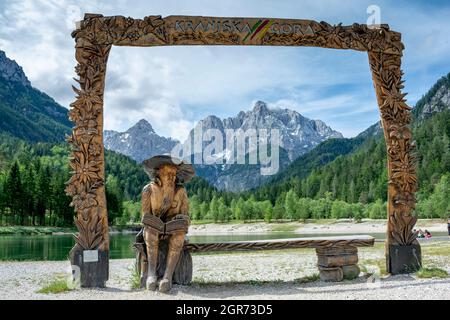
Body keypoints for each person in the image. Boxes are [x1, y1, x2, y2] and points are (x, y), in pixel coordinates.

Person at [139, 155, 195, 293]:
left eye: (173, 174)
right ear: (158, 174)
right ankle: (151, 274)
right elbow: (145, 216)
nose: (171, 177)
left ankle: (167, 277)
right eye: (167, 173)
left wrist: (181, 220)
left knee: (179, 236)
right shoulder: (148, 190)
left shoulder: (181, 191)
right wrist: (151, 222)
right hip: (153, 227)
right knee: (150, 233)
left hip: (173, 229)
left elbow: (186, 216)